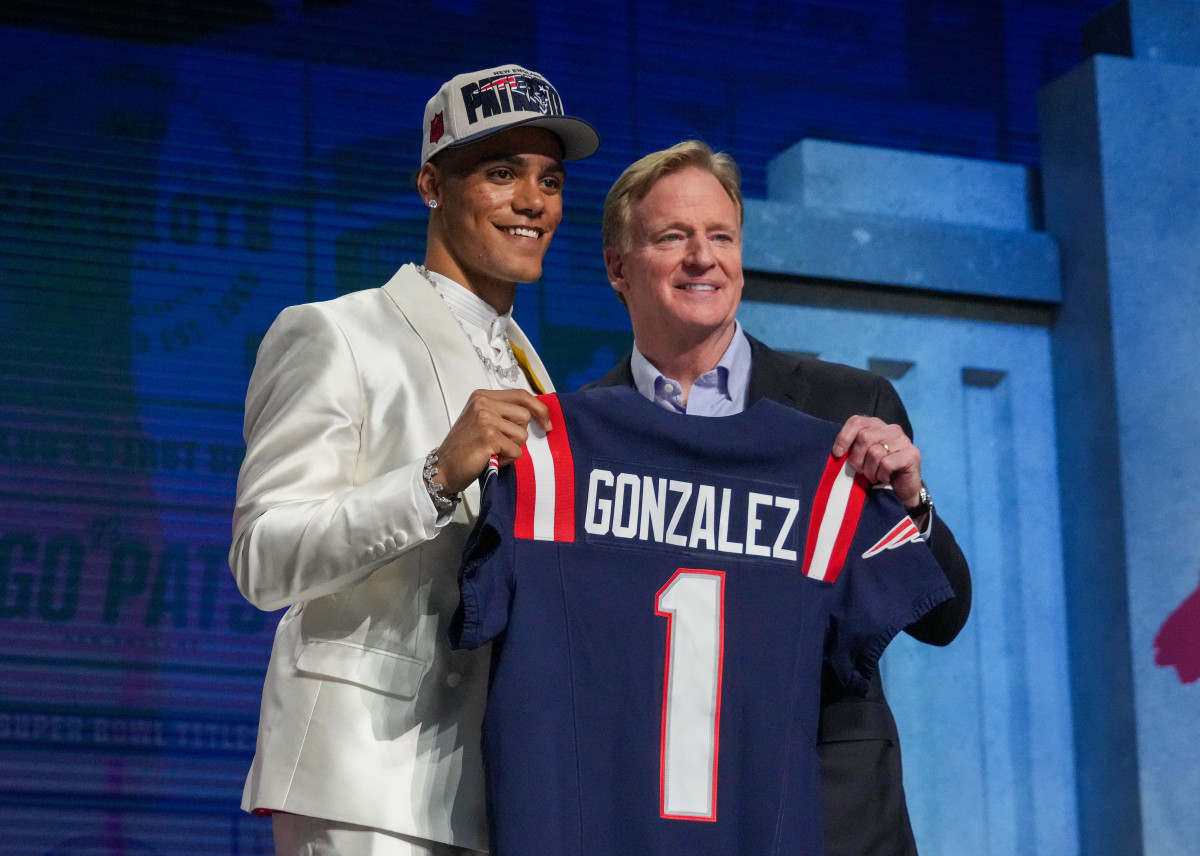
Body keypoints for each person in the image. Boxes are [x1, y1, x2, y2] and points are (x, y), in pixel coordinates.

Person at [228, 64, 598, 856]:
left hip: (494, 787)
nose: (534, 201)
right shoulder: (334, 333)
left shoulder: (534, 369)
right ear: (432, 183)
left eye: (550, 179)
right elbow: (263, 560)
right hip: (363, 775)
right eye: (502, 173)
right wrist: (433, 477)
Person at [587, 140, 972, 856]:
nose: (703, 258)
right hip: (653, 814)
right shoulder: (581, 441)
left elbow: (943, 617)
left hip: (831, 813)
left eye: (721, 237)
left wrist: (913, 499)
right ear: (618, 267)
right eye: (674, 237)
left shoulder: (846, 406)